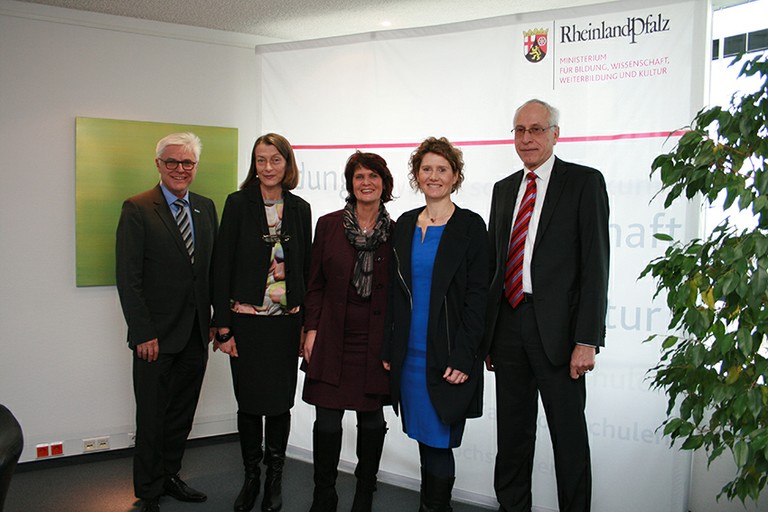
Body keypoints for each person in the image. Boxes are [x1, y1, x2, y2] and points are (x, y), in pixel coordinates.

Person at [485, 99, 610, 512]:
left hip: (560, 335)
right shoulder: (504, 190)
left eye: (536, 130)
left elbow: (596, 266)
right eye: (520, 130)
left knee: (569, 441)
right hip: (508, 328)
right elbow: (494, 266)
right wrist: (488, 338)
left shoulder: (584, 182)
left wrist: (587, 339)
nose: (527, 138)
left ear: (556, 134)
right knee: (513, 439)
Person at [383, 137, 489, 512]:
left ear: (456, 176)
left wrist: (464, 357)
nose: (434, 176)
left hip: (448, 357)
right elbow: (394, 296)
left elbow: (480, 299)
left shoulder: (471, 227)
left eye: (442, 169)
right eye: (426, 169)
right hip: (409, 357)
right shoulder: (406, 224)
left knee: (439, 441)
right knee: (424, 441)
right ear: (416, 175)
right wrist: (387, 349)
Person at [116, 132, 218, 512]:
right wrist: (142, 332)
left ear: (195, 167)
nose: (180, 169)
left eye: (187, 163)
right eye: (172, 162)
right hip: (154, 339)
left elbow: (209, 273)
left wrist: (214, 321)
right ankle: (148, 491)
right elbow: (129, 278)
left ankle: (171, 474)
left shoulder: (205, 208)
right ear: (158, 164)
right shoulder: (138, 208)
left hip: (195, 334)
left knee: (181, 413)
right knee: (152, 416)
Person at [212, 133, 312, 512]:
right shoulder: (238, 204)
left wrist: (307, 324)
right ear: (253, 165)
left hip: (286, 325)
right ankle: (251, 476)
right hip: (247, 323)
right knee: (250, 404)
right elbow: (221, 267)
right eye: (260, 160)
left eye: (275, 160)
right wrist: (222, 327)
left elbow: (306, 269)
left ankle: (275, 478)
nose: (267, 168)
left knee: (279, 404)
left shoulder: (300, 208)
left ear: (287, 164)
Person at [301, 151, 395, 512]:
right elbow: (315, 284)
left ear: (384, 184)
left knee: (371, 425)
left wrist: (393, 344)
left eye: (373, 176)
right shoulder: (327, 225)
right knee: (326, 423)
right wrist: (310, 330)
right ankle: (323, 495)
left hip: (374, 341)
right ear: (350, 183)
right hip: (331, 336)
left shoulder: (397, 231)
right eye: (359, 177)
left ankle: (363, 494)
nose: (366, 182)